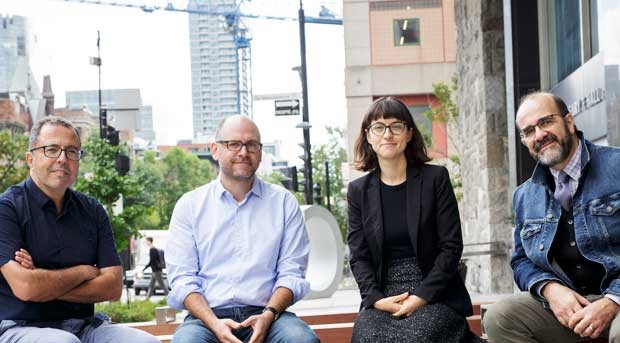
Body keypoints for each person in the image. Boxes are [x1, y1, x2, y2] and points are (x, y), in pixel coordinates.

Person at [0, 116, 158, 343]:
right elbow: (26, 287)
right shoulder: (7, 209)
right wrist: (83, 272)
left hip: (85, 327)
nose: (63, 159)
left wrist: (42, 284)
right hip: (22, 327)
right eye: (52, 149)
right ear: (30, 158)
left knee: (145, 342)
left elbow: (113, 286)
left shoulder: (92, 210)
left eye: (72, 151)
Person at [166, 115, 318, 343]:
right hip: (206, 319)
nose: (244, 152)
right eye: (233, 144)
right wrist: (214, 323)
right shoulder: (189, 206)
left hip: (270, 315)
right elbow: (182, 280)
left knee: (302, 340)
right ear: (215, 150)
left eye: (251, 144)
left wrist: (268, 314)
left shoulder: (284, 203)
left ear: (260, 151)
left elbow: (291, 274)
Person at [483, 92, 620, 342]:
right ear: (524, 141)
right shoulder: (524, 195)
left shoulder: (617, 166)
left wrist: (613, 301)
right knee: (499, 317)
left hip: (617, 302)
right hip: (568, 308)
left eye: (546, 122)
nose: (540, 135)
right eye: (529, 131)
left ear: (569, 122)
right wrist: (550, 289)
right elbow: (522, 261)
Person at [347, 97, 480, 342]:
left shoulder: (435, 179)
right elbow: (358, 256)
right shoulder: (358, 191)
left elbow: (451, 248)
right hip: (383, 294)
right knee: (367, 335)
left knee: (418, 337)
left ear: (408, 133)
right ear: (368, 136)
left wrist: (420, 297)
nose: (387, 134)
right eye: (379, 127)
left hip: (434, 291)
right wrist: (376, 300)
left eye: (396, 126)